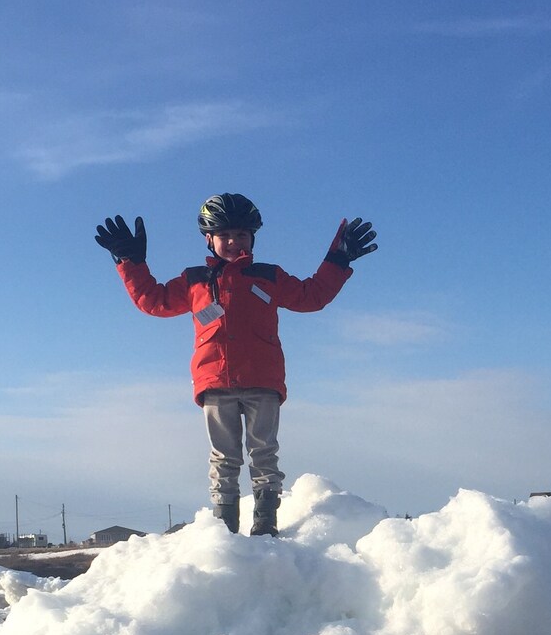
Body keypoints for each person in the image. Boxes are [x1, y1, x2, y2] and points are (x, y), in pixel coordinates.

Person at [95, 194, 376, 536]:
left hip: (263, 381)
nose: (233, 242)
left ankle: (265, 523)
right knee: (224, 459)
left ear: (252, 237)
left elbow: (311, 296)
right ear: (209, 239)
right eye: (224, 235)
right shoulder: (195, 280)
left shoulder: (268, 276)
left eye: (241, 235)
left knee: (264, 453)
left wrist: (338, 258)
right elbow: (154, 301)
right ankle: (225, 528)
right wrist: (130, 261)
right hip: (214, 383)